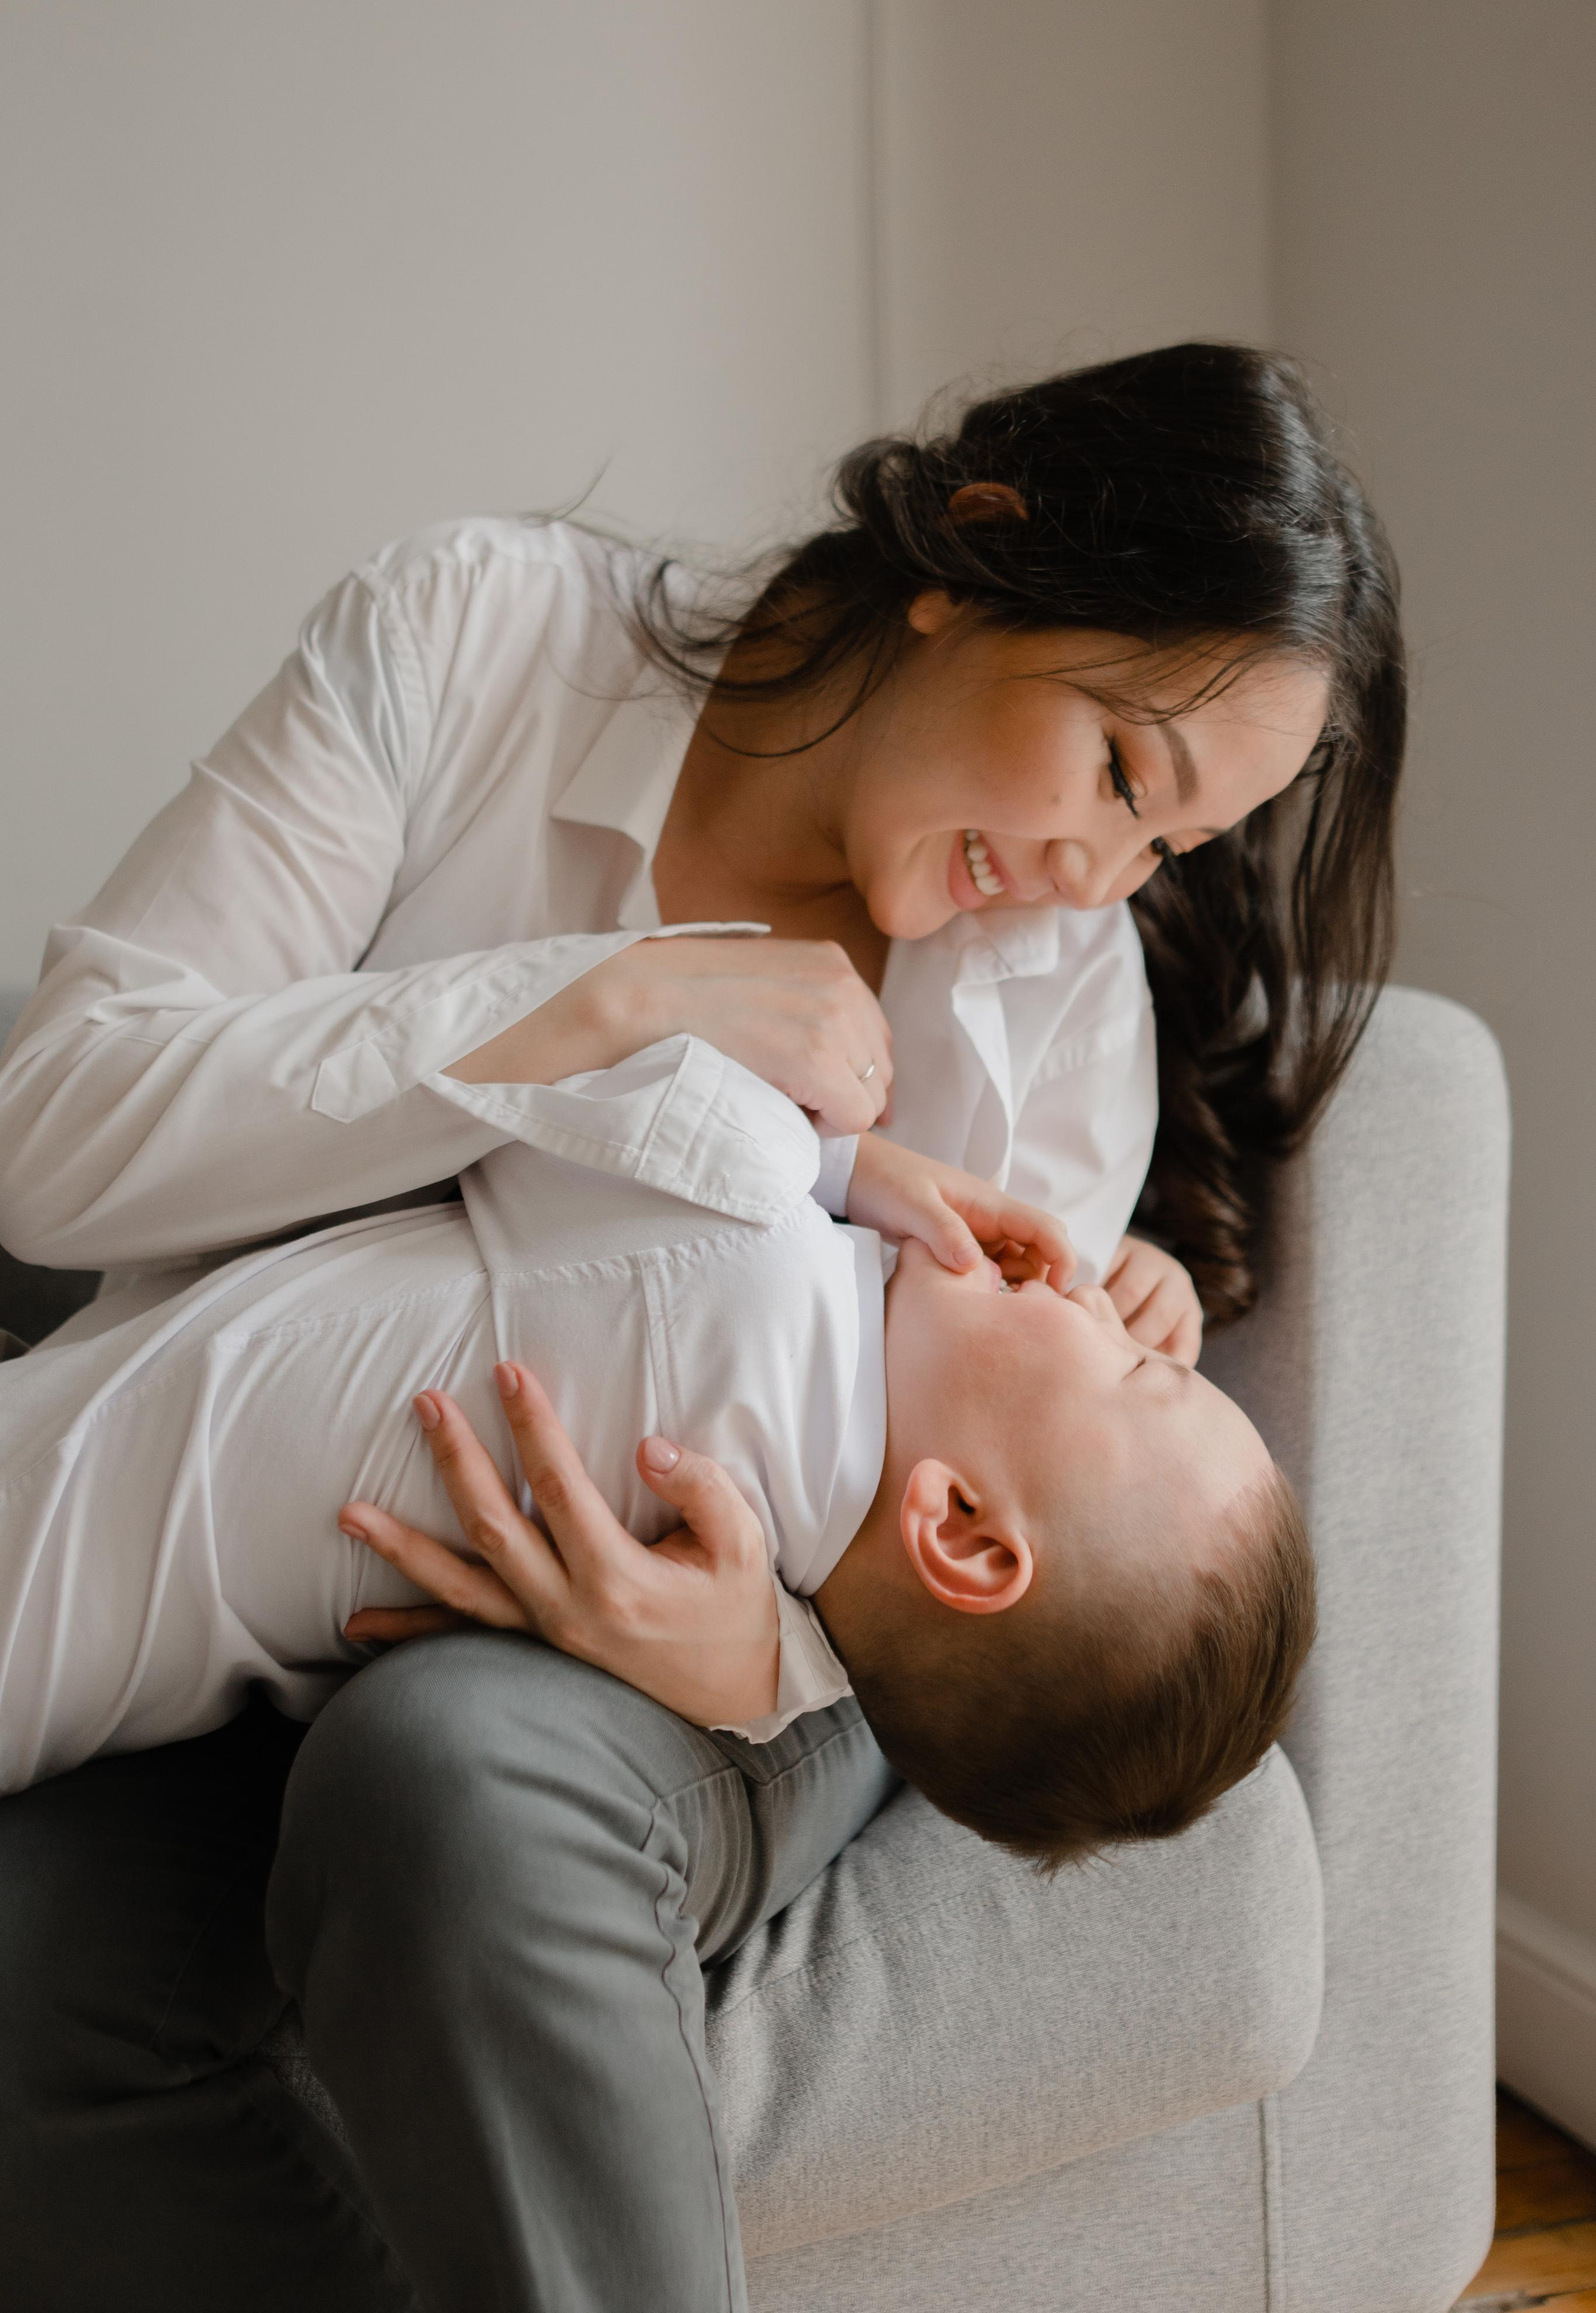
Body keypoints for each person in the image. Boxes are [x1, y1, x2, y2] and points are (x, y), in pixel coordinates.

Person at [0, 342, 1403, 2311]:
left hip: (765, 1652)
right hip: (290, 1536)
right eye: (1115, 770)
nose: (1097, 879)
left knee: (451, 1770)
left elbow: (998, 1568)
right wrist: (604, 1005)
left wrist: (762, 1665)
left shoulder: (1053, 992)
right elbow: (56, 1146)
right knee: (33, 1959)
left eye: (1166, 848)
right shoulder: (476, 640)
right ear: (977, 552)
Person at [0, 1065, 1313, 1869]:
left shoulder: (747, 1264)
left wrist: (845, 1164)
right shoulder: (747, 1591)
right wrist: (769, 1675)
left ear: (963, 1529)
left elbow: (554, 1070)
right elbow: (833, 1652)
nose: (1095, 1293)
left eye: (1137, 1371)